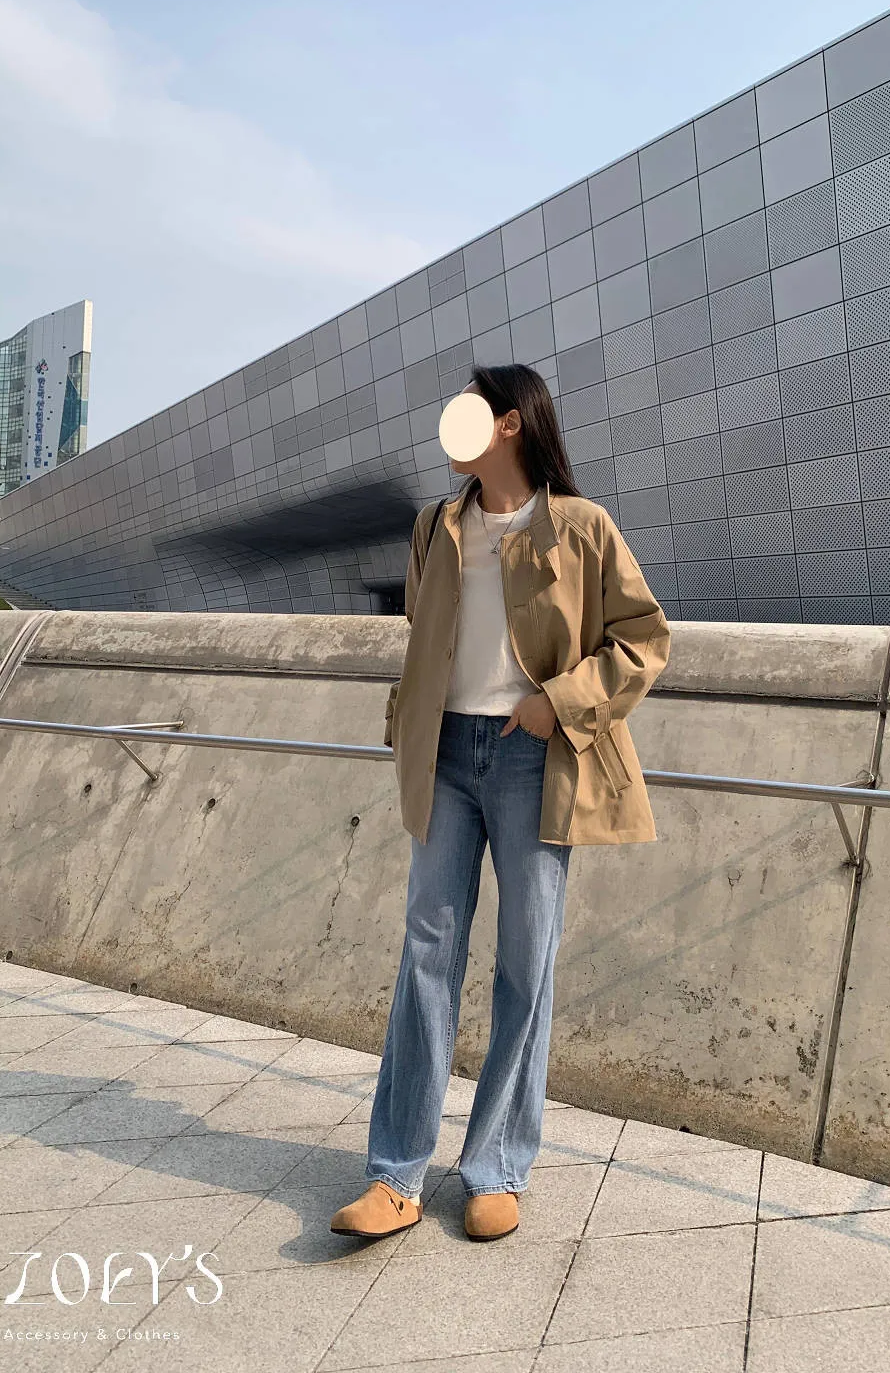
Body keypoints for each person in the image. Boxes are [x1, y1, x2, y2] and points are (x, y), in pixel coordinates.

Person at [331, 362, 671, 1244]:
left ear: (511, 422)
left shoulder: (581, 528)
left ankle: (495, 1169)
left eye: (473, 410)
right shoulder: (435, 527)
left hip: (532, 756)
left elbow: (643, 639)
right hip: (443, 753)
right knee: (427, 953)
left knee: (526, 959)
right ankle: (396, 1175)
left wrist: (555, 702)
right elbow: (425, 633)